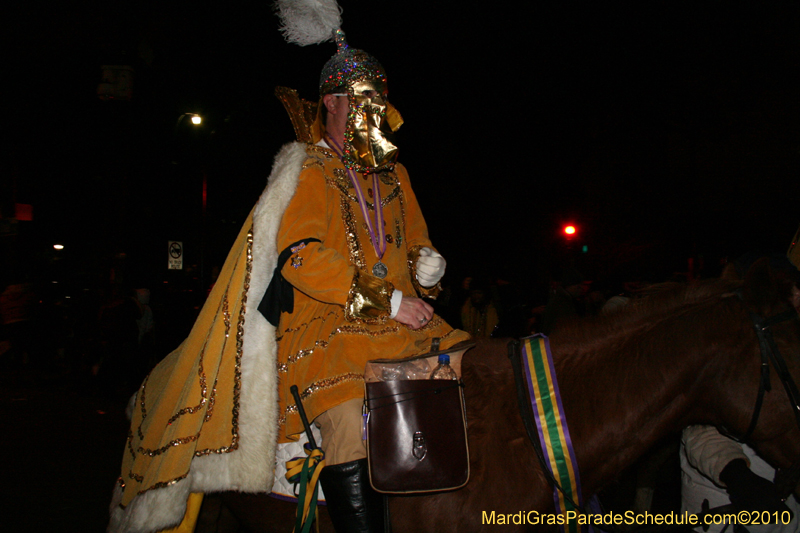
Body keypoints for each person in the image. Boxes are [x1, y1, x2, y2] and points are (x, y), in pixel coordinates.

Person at [108, 5, 468, 532]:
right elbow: (301, 258)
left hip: (406, 325)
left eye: (380, 100)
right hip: (328, 333)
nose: (375, 111)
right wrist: (388, 299)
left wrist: (426, 272)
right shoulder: (309, 168)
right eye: (363, 101)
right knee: (349, 419)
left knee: (475, 380)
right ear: (332, 102)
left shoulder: (397, 176)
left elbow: (415, 245)